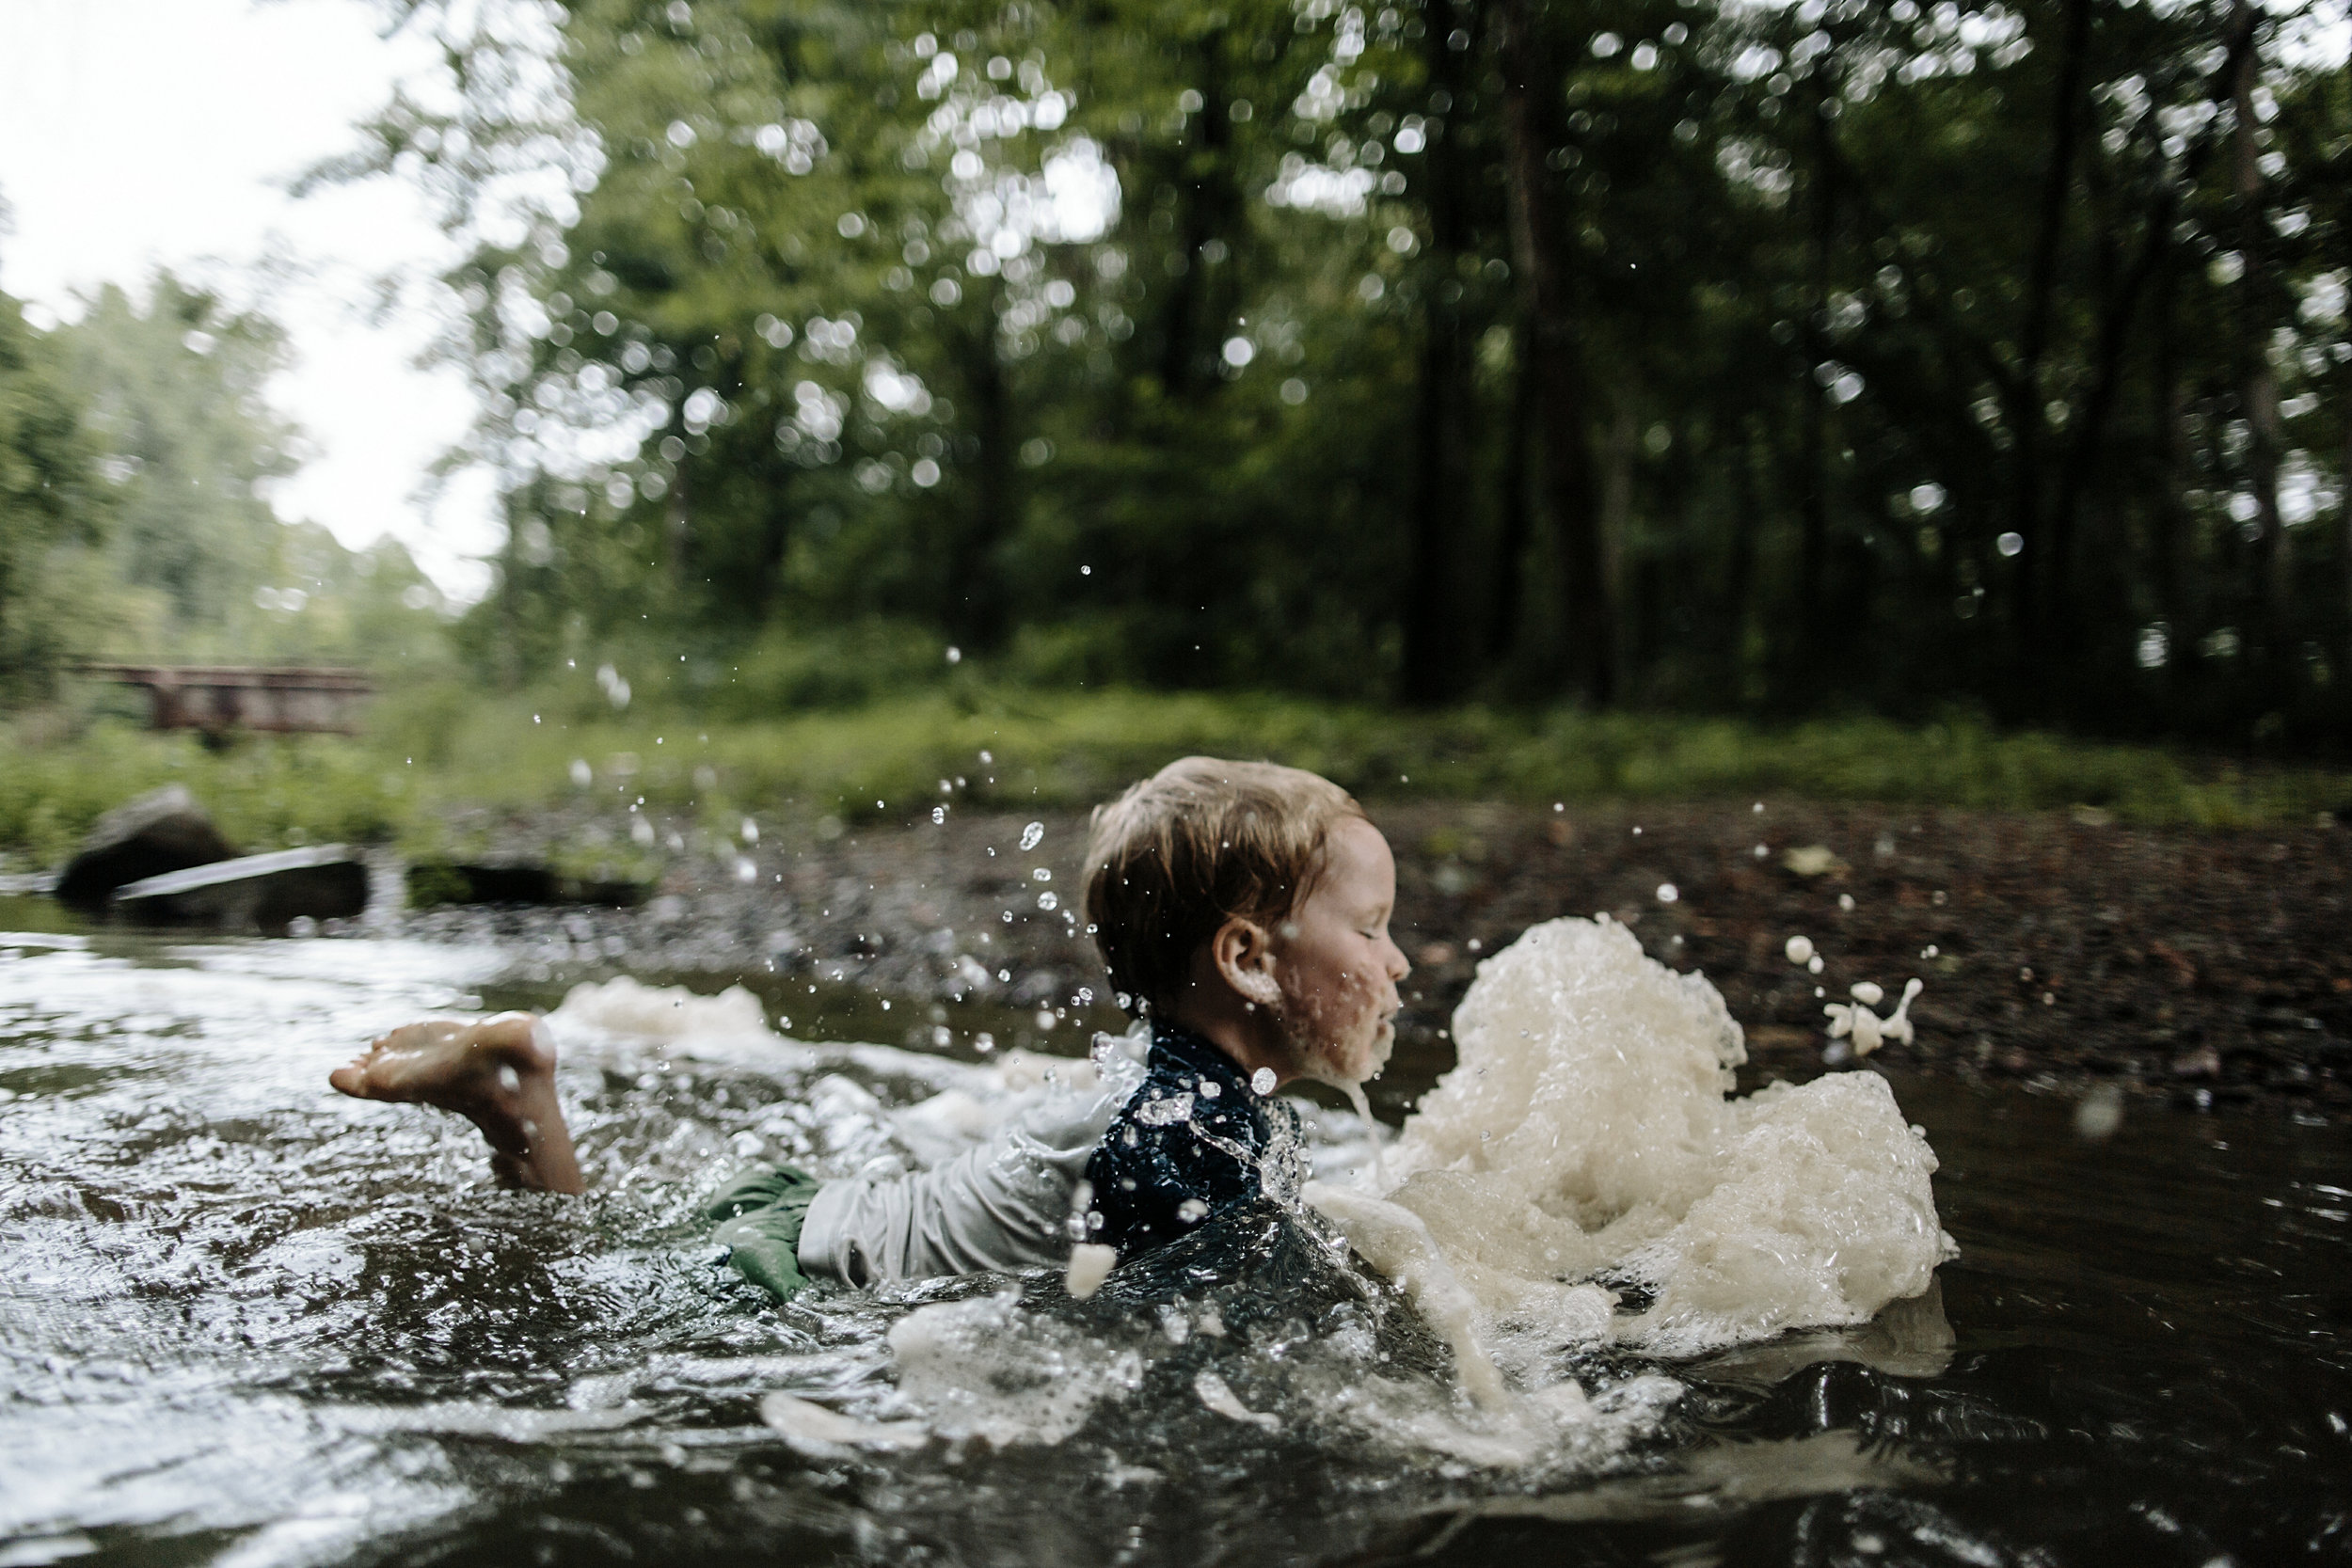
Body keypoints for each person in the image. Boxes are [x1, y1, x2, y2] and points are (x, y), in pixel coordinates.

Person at [329, 757, 1410, 1298]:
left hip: (812, 1218)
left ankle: (515, 1090)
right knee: (572, 1286)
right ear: (1247, 959)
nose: (1399, 962)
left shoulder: (1178, 1093)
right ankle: (517, 1090)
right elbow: (1142, 1340)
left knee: (603, 1246)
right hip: (786, 1266)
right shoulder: (1183, 1132)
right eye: (1371, 928)